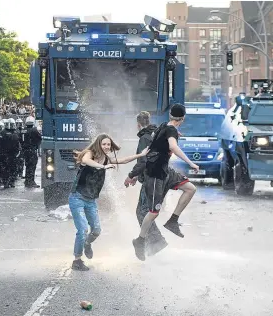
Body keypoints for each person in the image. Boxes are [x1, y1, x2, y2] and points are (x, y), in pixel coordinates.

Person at [69, 133, 149, 271]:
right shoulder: (89, 154)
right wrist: (102, 167)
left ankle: (87, 244)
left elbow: (123, 160)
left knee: (96, 231)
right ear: (98, 144)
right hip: (77, 197)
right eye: (104, 144)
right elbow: (87, 161)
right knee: (82, 230)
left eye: (108, 144)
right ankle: (77, 260)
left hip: (91, 200)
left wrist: (140, 155)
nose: (106, 147)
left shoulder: (106, 159)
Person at [132, 104, 199, 261]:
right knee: (152, 212)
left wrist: (174, 134)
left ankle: (173, 221)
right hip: (155, 174)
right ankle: (140, 241)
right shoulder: (170, 130)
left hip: (165, 171)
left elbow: (160, 136)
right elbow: (173, 147)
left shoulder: (165, 126)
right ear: (182, 119)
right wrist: (191, 163)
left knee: (190, 189)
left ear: (171, 116)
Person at [124, 111, 168, 256]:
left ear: (138, 124)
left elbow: (144, 160)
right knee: (147, 211)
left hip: (151, 178)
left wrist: (132, 175)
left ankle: (156, 242)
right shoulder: (156, 133)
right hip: (159, 177)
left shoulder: (144, 137)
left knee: (142, 212)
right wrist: (138, 174)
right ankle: (154, 242)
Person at [23, 116, 42, 188]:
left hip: (25, 150)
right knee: (32, 166)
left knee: (27, 165)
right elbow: (40, 138)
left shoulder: (23, 130)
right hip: (32, 150)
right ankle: (31, 181)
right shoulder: (34, 130)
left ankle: (27, 180)